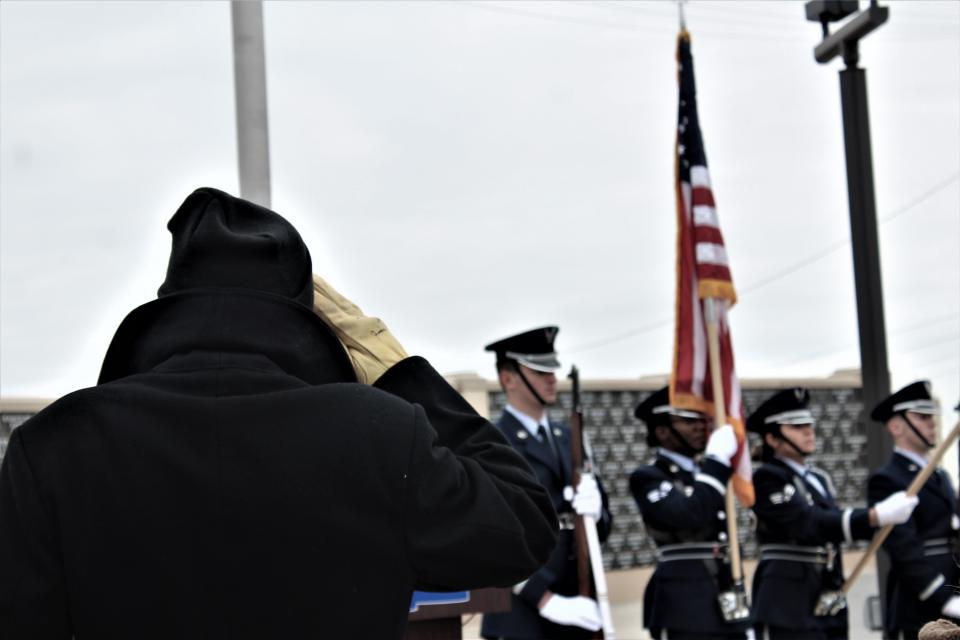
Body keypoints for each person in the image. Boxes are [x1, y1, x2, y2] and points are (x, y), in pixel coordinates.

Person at [0, 188, 559, 639]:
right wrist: (399, 369)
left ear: (169, 309)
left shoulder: (52, 445)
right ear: (304, 320)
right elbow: (522, 526)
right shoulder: (381, 432)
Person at [747, 387, 918, 640]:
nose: (808, 431)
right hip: (788, 599)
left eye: (809, 424)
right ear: (772, 439)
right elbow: (808, 523)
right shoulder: (766, 478)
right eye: (796, 426)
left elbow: (831, 527)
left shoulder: (819, 478)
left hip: (827, 592)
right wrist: (873, 516)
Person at [479, 327, 612, 640]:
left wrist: (597, 512)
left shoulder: (570, 439)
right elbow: (492, 535)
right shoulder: (493, 442)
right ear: (507, 378)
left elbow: (603, 530)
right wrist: (544, 598)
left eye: (552, 370)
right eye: (539, 371)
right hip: (524, 613)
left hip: (579, 604)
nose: (552, 378)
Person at [629, 386, 752, 640]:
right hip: (684, 604)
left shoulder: (706, 474)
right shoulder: (649, 477)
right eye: (688, 421)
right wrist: (717, 461)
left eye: (701, 420)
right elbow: (689, 514)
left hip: (726, 596)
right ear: (661, 431)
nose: (700, 427)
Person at [868, 381, 960, 640]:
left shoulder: (939, 475)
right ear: (896, 426)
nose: (931, 423)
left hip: (951, 590)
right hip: (921, 602)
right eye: (921, 417)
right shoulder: (888, 479)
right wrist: (942, 598)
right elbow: (903, 549)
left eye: (931, 416)